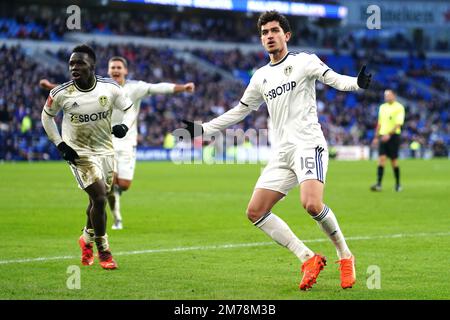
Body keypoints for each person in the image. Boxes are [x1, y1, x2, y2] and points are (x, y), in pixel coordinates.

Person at [182, 11, 371, 290]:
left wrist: (356, 83)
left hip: (308, 144)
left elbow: (332, 78)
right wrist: (205, 130)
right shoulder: (260, 77)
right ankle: (307, 258)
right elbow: (240, 111)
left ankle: (345, 256)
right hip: (281, 153)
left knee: (311, 204)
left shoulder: (304, 61)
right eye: (264, 33)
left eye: (274, 31)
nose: (269, 36)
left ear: (287, 35)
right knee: (255, 211)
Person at [40, 57, 195, 230]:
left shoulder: (136, 87)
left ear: (125, 71)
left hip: (127, 142)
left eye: (118, 67)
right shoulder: (100, 87)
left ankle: (113, 196)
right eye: (112, 67)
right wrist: (50, 87)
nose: (115, 70)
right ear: (108, 70)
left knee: (124, 185)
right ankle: (116, 218)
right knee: (108, 184)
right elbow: (72, 91)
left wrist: (183, 88)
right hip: (103, 141)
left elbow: (158, 87)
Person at [41, 44, 135, 269]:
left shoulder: (109, 88)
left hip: (105, 150)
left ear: (92, 65)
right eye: (71, 63)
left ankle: (85, 239)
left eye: (80, 63)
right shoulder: (60, 93)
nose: (74, 67)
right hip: (79, 153)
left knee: (96, 200)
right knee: (101, 197)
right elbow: (46, 118)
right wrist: (61, 144)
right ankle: (104, 250)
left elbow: (129, 108)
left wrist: (124, 125)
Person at [371, 90, 405, 192]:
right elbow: (380, 123)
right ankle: (378, 184)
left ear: (394, 95)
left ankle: (398, 184)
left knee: (393, 161)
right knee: (381, 159)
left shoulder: (399, 107)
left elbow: (398, 124)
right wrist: (376, 137)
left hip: (393, 136)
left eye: (389, 95)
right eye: (385, 95)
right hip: (383, 136)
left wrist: (389, 134)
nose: (387, 97)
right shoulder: (382, 107)